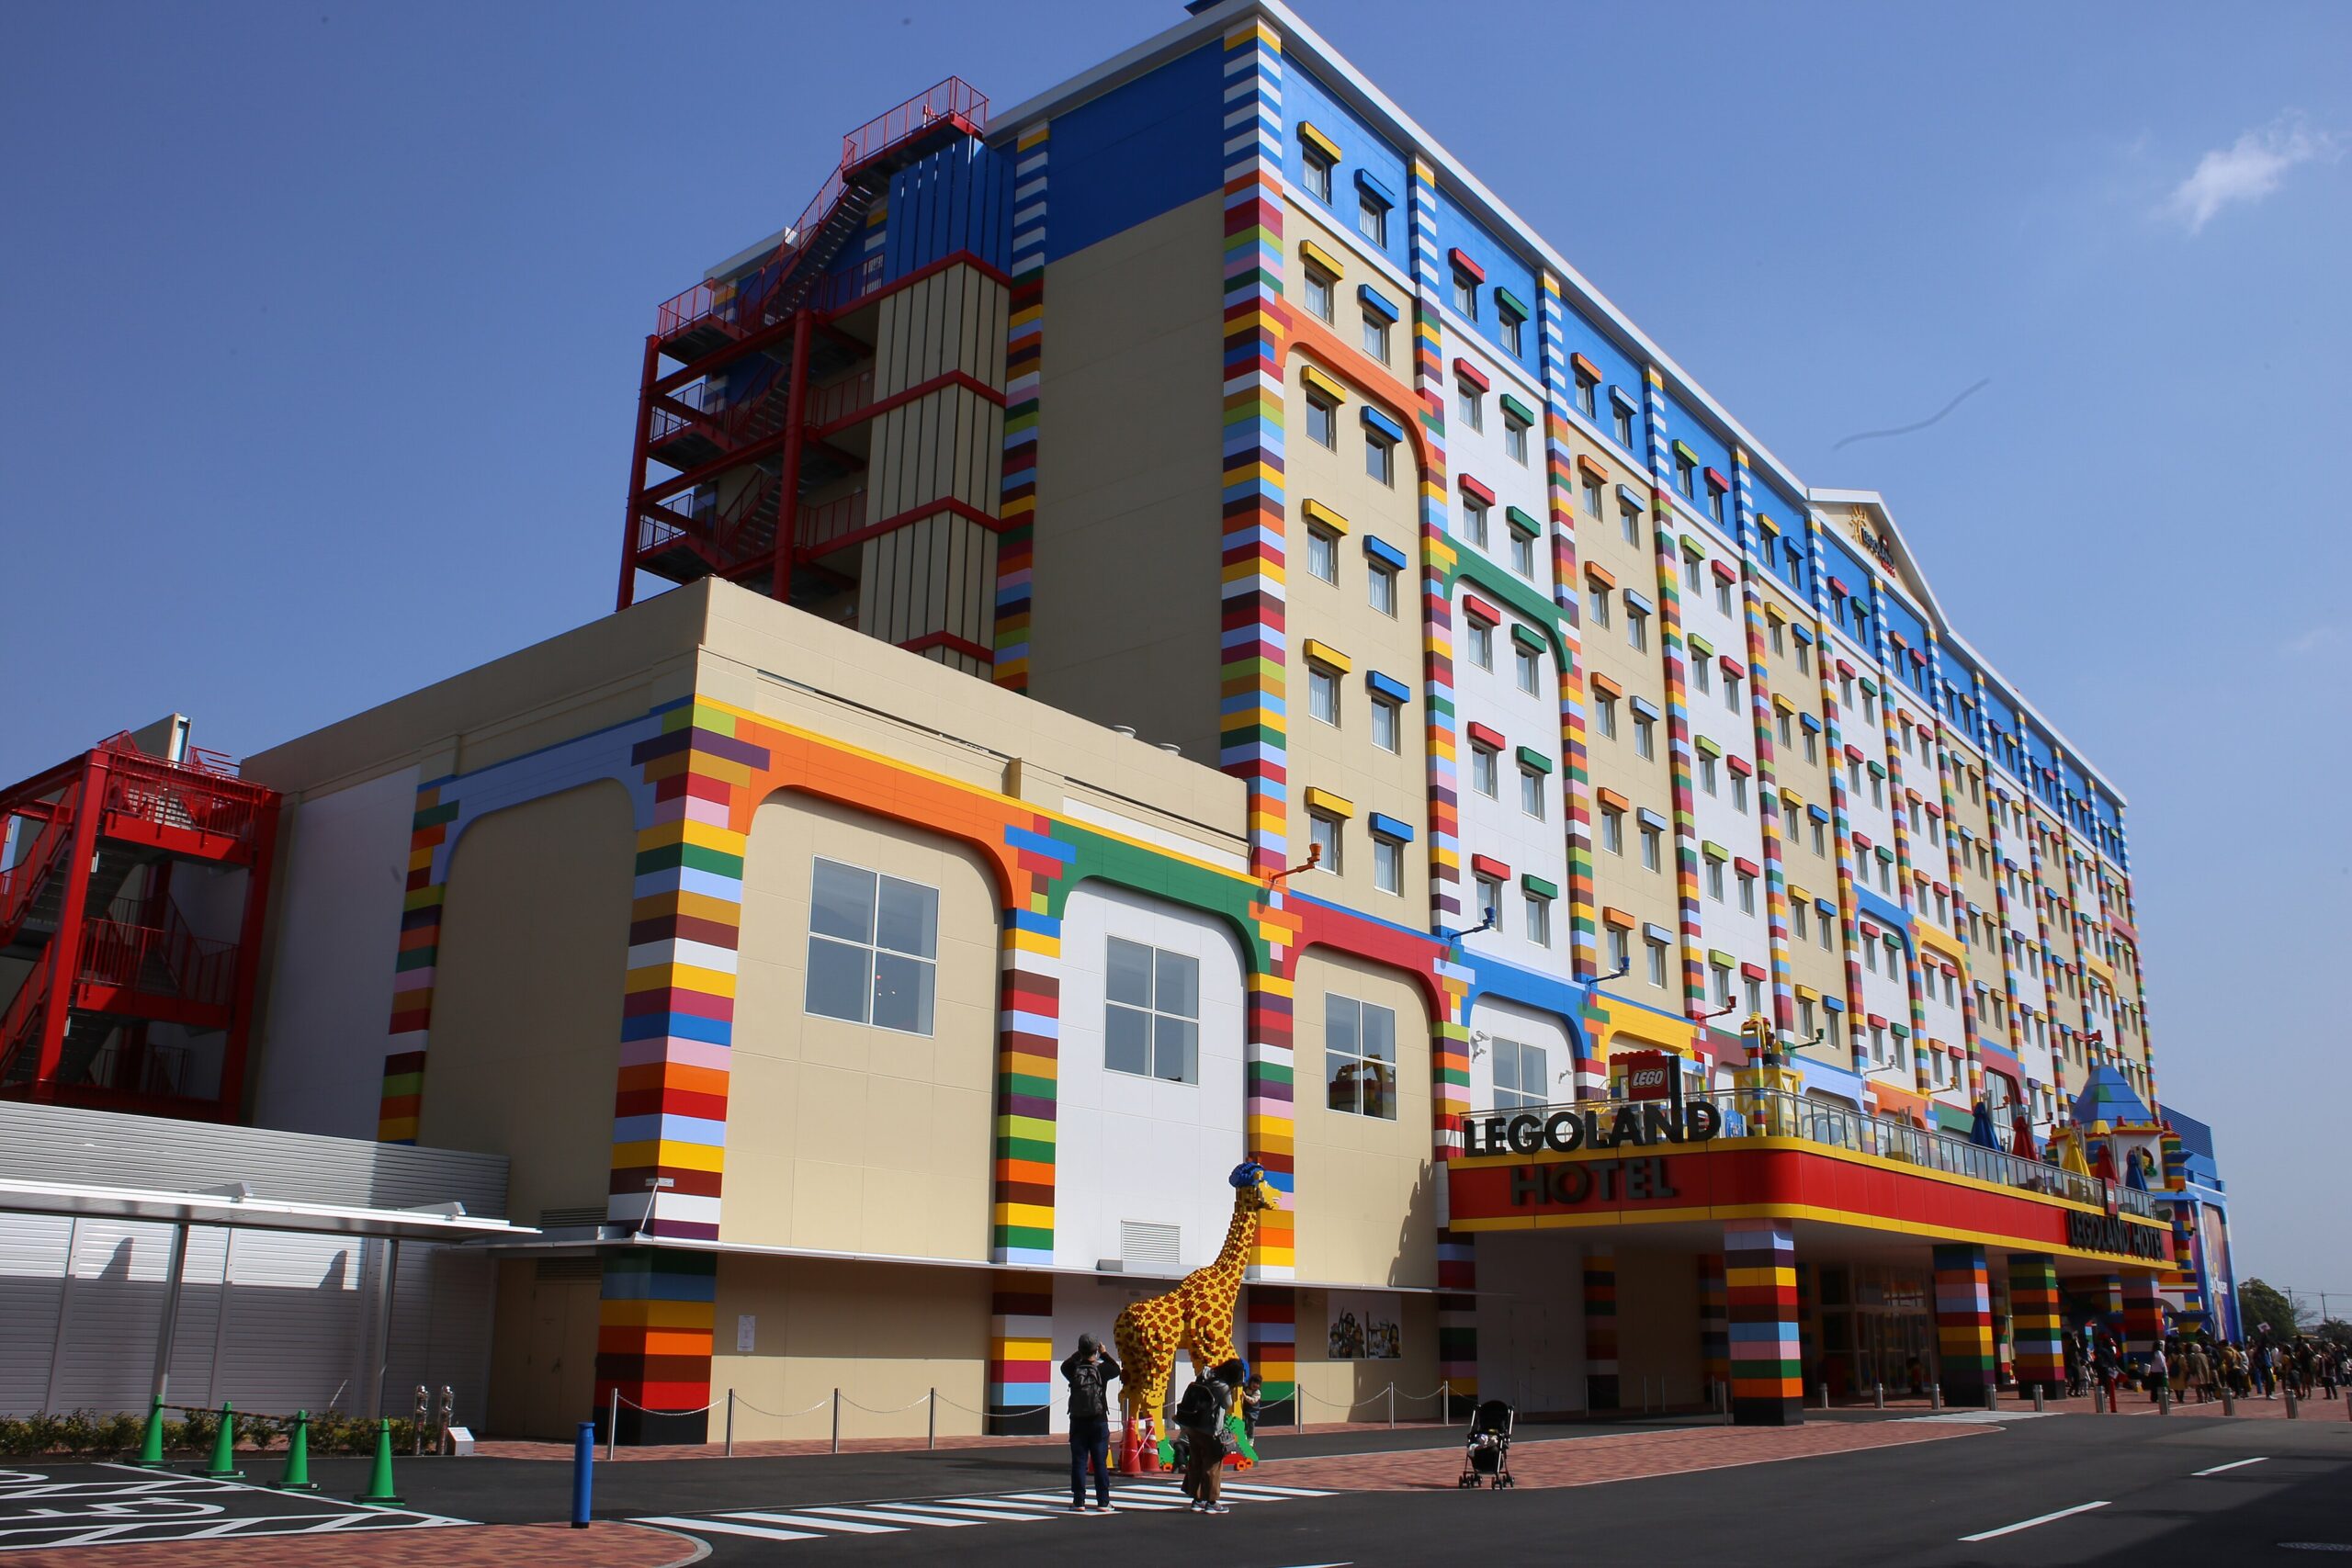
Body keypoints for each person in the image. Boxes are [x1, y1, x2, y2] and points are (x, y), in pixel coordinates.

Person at [1174, 1357, 1246, 1515]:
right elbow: (1227, 1404)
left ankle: (1197, 1499)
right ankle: (1211, 1502)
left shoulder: (1205, 1374)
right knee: (1213, 1465)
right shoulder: (1222, 1386)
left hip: (1193, 1425)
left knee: (1196, 1461)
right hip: (1209, 1429)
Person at [1060, 1334, 1122, 1514]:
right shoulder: (1102, 1370)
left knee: (1079, 1462)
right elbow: (1116, 1369)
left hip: (1077, 1421)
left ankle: (1079, 1501)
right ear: (1096, 1350)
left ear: (1080, 1349)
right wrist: (1104, 1353)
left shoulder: (1073, 1369)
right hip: (1098, 1421)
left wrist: (1079, 1353)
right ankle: (1103, 1501)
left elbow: (1064, 1365)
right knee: (1100, 1462)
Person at [1239, 1372, 1263, 1443]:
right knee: (1244, 1424)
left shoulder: (1257, 1392)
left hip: (1253, 1412)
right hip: (1246, 1410)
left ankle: (1250, 1440)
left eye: (1257, 1384)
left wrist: (1245, 1396)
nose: (1255, 1385)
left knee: (1251, 1425)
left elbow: (1253, 1401)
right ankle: (1244, 1437)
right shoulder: (1246, 1388)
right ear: (1250, 1382)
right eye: (1254, 1383)